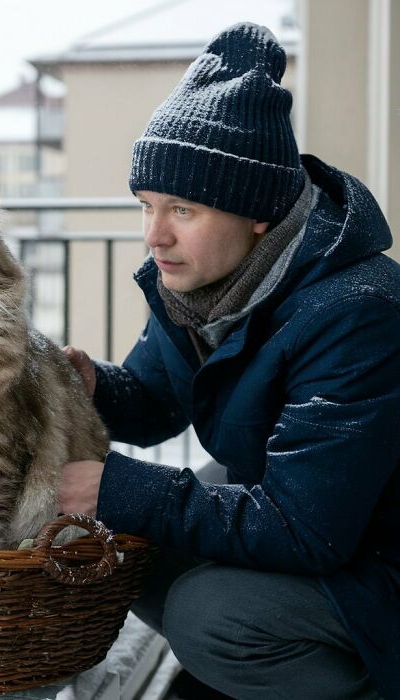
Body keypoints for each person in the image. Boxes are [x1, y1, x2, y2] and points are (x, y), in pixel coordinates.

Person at [59, 22, 400, 700]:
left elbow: (308, 531)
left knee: (207, 614)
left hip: (378, 560)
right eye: (148, 206)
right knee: (135, 553)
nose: (155, 236)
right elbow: (156, 400)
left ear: (259, 216)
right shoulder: (205, 287)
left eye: (182, 208)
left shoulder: (356, 314)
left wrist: (113, 487)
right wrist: (89, 383)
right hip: (324, 529)